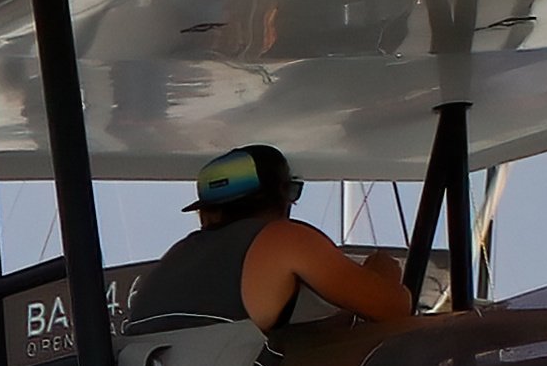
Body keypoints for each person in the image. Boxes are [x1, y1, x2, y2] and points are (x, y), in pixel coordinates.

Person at [127, 145, 419, 346]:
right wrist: (382, 273)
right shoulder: (286, 238)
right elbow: (394, 309)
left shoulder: (175, 255)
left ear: (207, 212)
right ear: (286, 194)